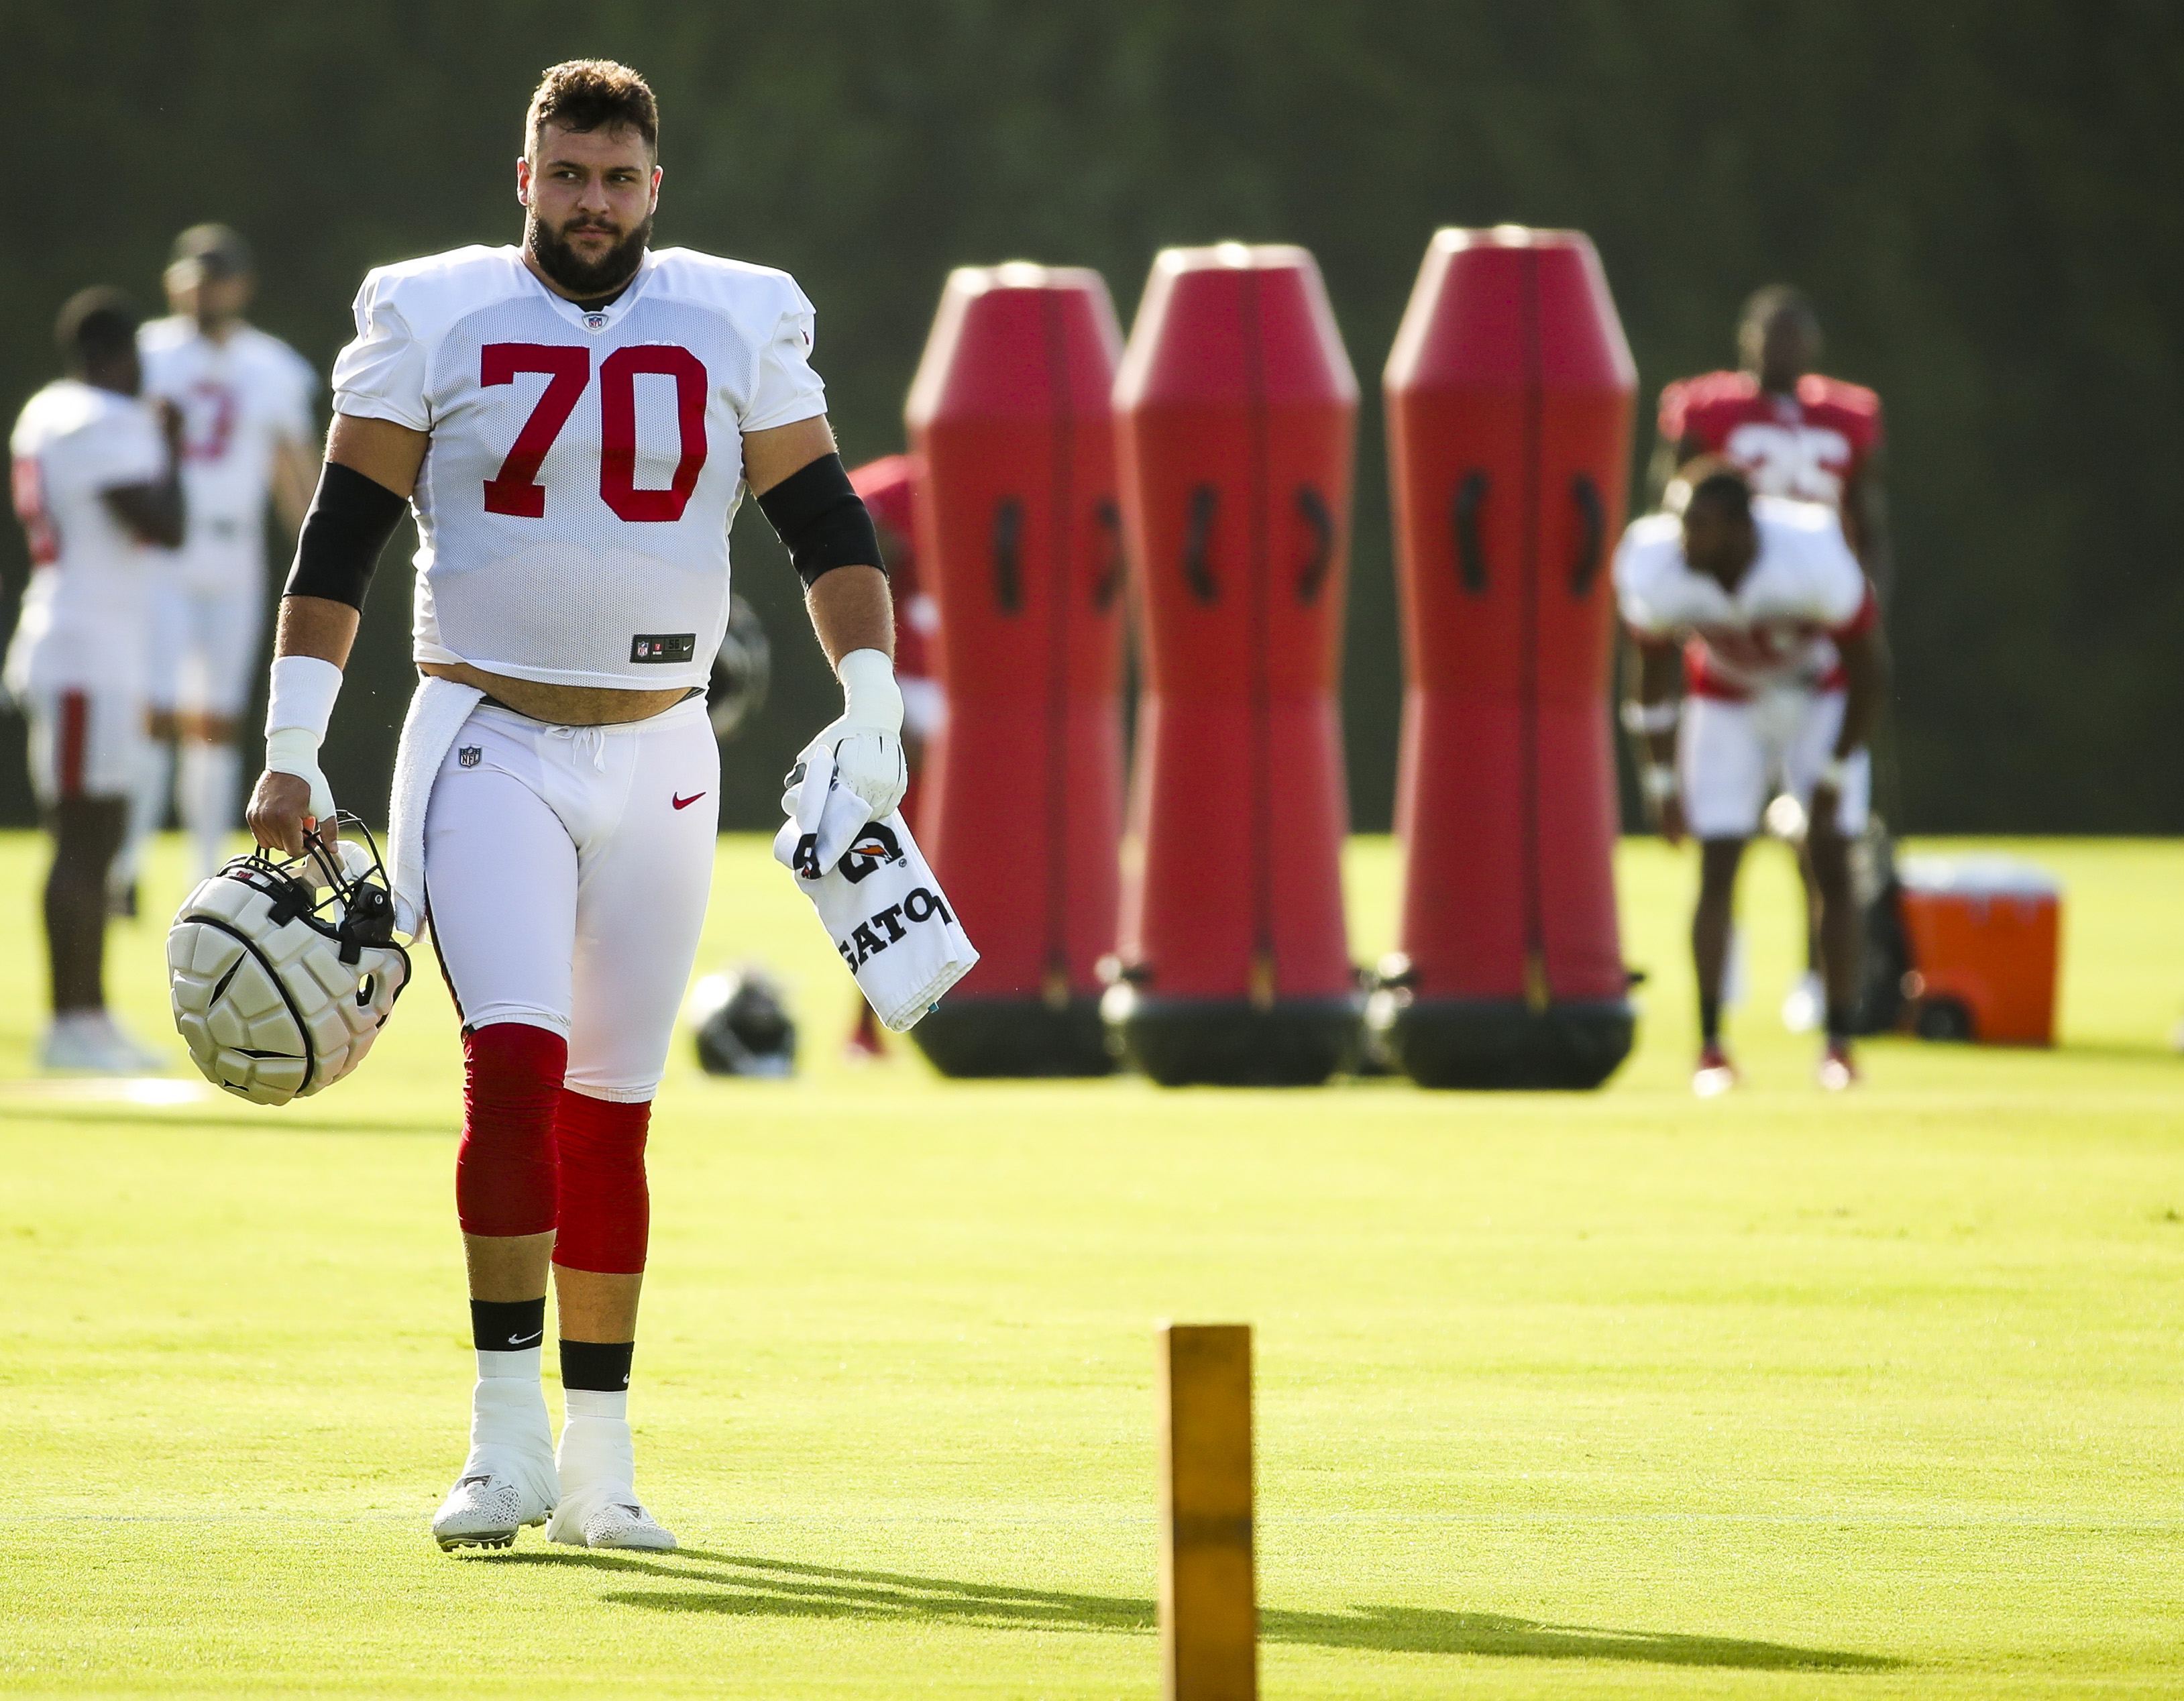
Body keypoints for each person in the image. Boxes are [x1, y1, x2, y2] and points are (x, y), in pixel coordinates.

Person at [242, 61, 905, 1552]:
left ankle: (598, 1458)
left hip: (667, 748)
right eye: (567, 175)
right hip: (488, 735)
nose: (590, 204)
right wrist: (293, 745)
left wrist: (872, 689)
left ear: (653, 189)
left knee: (616, 1110)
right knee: (518, 1070)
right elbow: (341, 538)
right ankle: (498, 1442)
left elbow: (821, 517)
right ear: (521, 176)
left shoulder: (739, 312)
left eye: (616, 180)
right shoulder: (432, 309)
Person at [1653, 286, 1891, 1034]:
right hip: (1728, 659)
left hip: (1813, 643)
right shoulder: (1706, 421)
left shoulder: (1819, 539)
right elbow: (1669, 514)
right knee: (1720, 847)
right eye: (1768, 335)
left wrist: (1868, 604)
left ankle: (1825, 1000)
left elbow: (1872, 524)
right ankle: (1716, 1021)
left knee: (1827, 843)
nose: (1780, 348)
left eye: (1794, 335)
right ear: (1746, 341)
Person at [1614, 461, 1887, 1095]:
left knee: (1832, 856)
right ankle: (1711, 1047)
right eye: (1682, 522)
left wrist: (1834, 772)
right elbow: (1649, 678)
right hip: (1726, 698)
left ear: (1742, 528)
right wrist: (1660, 785)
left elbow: (1871, 673)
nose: (1685, 539)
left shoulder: (1811, 550)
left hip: (1818, 693)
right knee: (1717, 863)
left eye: (1701, 526)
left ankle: (1838, 1042)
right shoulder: (1654, 563)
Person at [5, 290, 184, 1071]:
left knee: (98, 833)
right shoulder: (105, 419)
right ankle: (70, 1021)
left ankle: (91, 1014)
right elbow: (164, 522)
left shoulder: (50, 407)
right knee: (83, 837)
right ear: (119, 355)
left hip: (84, 640)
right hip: (83, 647)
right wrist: (168, 442)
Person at [119, 225, 317, 898]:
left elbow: (295, 471)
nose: (205, 289)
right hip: (162, 548)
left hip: (234, 549)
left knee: (220, 717)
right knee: (155, 709)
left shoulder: (272, 366)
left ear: (241, 285)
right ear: (176, 281)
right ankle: (128, 864)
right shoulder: (146, 354)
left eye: (217, 276)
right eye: (195, 275)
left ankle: (203, 864)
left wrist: (318, 553)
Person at [842, 453, 942, 1060]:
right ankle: (871, 1023)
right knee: (897, 865)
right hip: (917, 689)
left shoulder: (1024, 480)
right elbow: (851, 519)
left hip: (983, 695)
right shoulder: (909, 485)